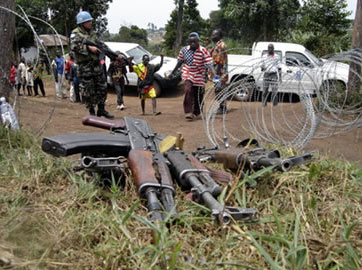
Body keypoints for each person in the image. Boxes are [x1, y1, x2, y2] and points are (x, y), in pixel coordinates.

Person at [70, 11, 123, 118]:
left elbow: (102, 45)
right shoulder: (75, 34)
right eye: (88, 21)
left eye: (90, 21)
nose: (90, 23)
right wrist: (88, 48)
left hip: (96, 66)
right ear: (82, 23)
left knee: (102, 87)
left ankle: (101, 110)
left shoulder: (93, 34)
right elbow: (74, 47)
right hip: (85, 67)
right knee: (88, 90)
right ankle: (92, 112)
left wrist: (114, 55)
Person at [171, 32, 214, 121]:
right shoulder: (184, 50)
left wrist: (215, 74)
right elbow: (180, 62)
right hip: (188, 72)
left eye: (194, 42)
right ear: (188, 42)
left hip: (199, 74)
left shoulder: (203, 51)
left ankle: (196, 112)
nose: (192, 44)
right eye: (191, 42)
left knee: (198, 94)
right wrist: (172, 72)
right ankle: (188, 112)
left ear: (198, 41)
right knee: (188, 90)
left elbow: (209, 64)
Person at [209, 29, 228, 114]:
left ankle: (223, 107)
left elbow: (219, 61)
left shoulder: (221, 45)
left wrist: (215, 75)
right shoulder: (217, 45)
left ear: (219, 36)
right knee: (218, 88)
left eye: (214, 35)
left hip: (220, 73)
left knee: (219, 88)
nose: (212, 36)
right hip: (218, 72)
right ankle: (221, 106)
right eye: (212, 34)